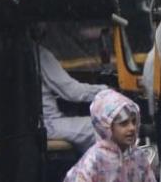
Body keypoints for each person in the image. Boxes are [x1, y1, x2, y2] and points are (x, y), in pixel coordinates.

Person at [32, 24, 108, 152]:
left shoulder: (14, 54)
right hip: (47, 125)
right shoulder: (39, 54)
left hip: (29, 127)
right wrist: (106, 91)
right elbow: (73, 92)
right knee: (104, 127)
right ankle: (96, 170)